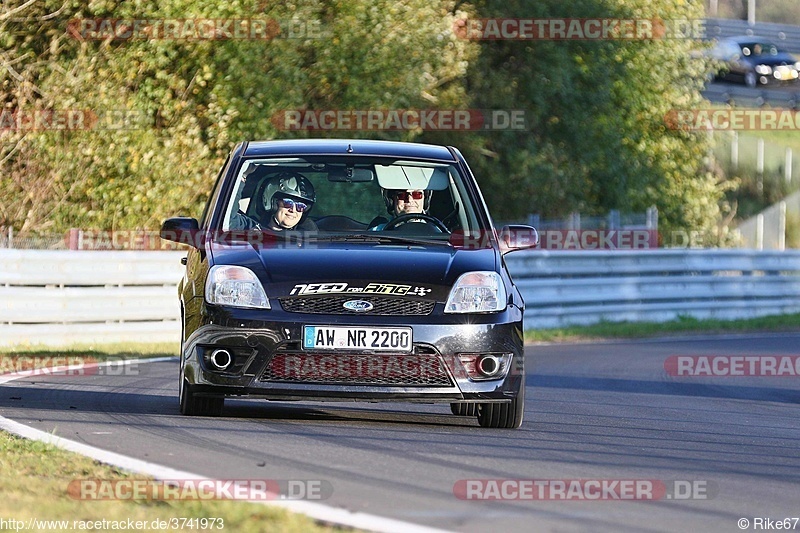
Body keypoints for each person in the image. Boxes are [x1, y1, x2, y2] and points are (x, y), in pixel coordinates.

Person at [228, 171, 318, 232]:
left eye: (301, 206)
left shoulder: (309, 237)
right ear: (272, 203)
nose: (293, 210)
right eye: (288, 202)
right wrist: (242, 176)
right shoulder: (250, 227)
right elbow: (228, 218)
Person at [370, 188, 435, 230]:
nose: (410, 200)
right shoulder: (376, 233)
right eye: (402, 195)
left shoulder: (438, 233)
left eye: (417, 194)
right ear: (392, 201)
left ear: (425, 199)